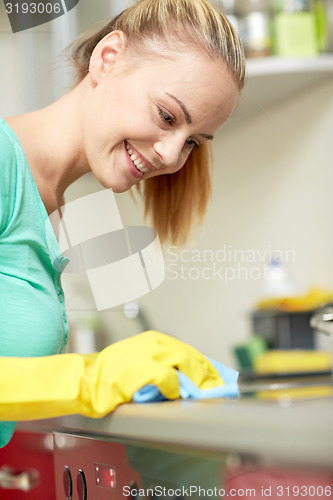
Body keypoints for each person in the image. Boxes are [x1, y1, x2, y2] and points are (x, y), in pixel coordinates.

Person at [0, 0, 246, 448]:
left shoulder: (50, 203)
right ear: (107, 58)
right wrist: (90, 377)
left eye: (192, 141)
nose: (171, 157)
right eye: (167, 116)